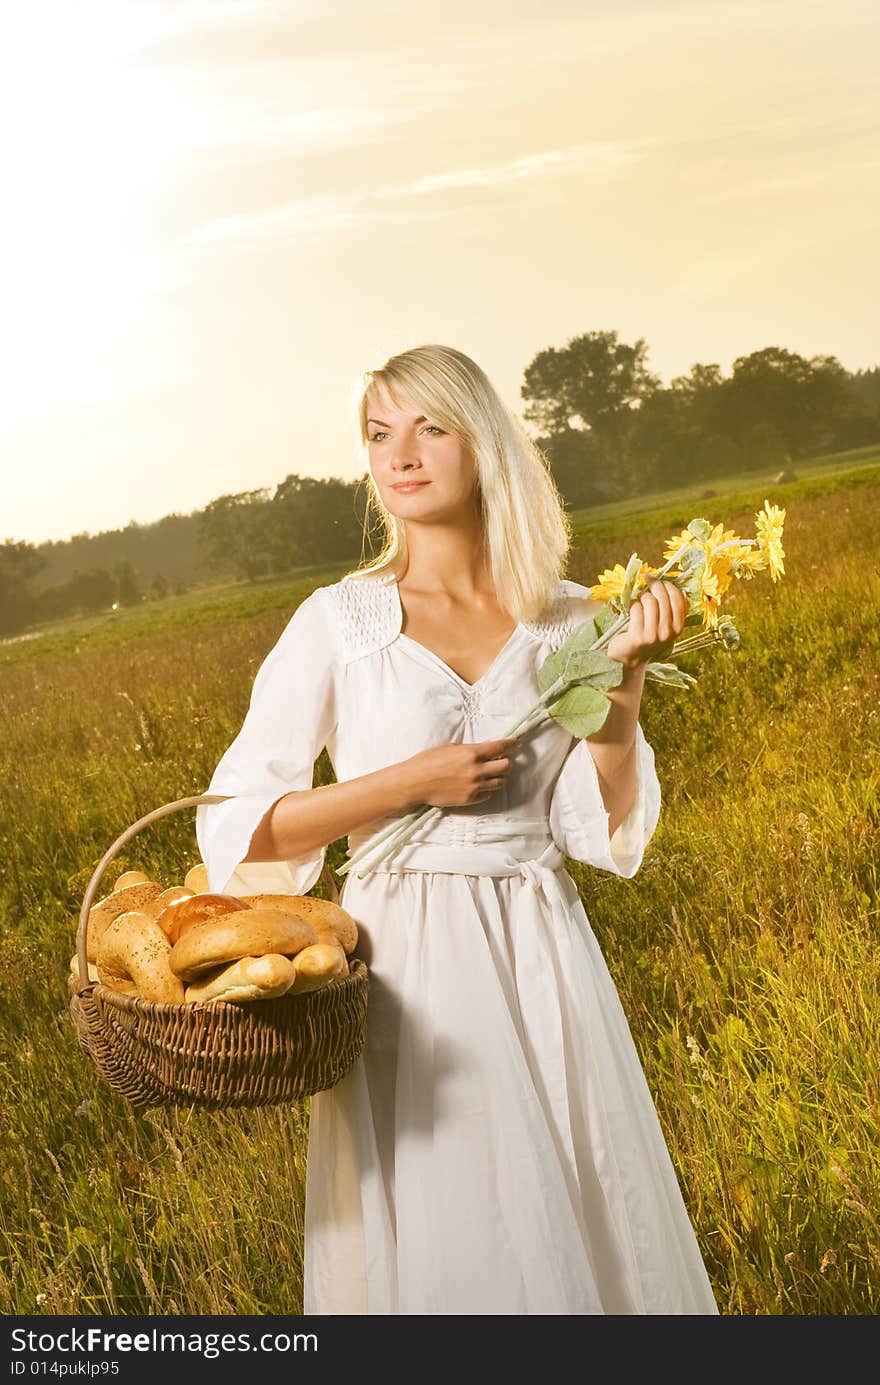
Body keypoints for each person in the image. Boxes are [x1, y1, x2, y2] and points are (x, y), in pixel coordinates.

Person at [195, 344, 720, 1315]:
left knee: (575, 1198)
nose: (401, 453)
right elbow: (242, 826)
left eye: (429, 427)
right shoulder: (338, 622)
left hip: (538, 948)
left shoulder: (571, 619)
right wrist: (405, 781)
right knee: (444, 1225)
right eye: (379, 433)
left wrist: (626, 686)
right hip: (403, 963)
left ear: (485, 443)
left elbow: (597, 830)